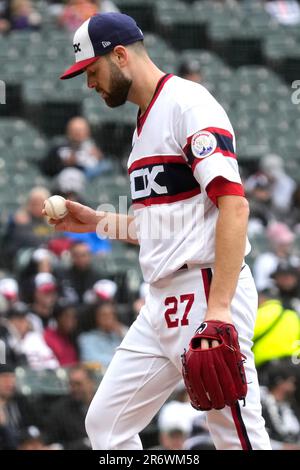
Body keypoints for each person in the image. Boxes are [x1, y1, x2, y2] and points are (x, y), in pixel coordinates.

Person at [49, 12, 271, 450]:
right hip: (162, 301)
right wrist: (96, 222)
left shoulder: (187, 104)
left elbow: (234, 203)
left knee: (235, 434)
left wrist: (220, 309)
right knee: (106, 427)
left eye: (91, 71)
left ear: (119, 56)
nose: (89, 84)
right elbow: (164, 226)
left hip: (206, 286)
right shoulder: (144, 125)